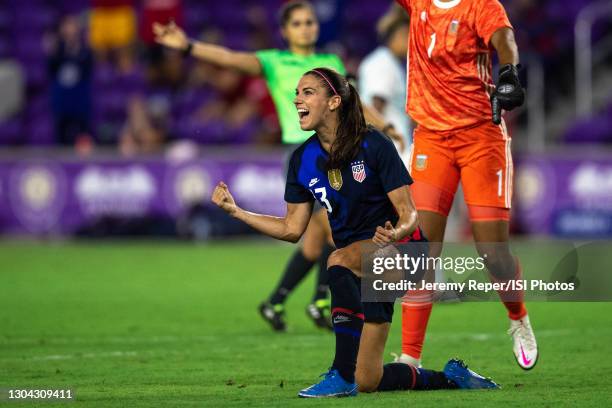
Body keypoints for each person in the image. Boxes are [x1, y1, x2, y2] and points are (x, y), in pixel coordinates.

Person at [212, 67, 499, 397]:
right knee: (369, 379)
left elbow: (409, 215)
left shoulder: (374, 144)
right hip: (363, 266)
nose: (296, 100)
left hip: (403, 251)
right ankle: (451, 378)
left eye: (307, 92)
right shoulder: (302, 159)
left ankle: (339, 374)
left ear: (334, 102)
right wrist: (238, 212)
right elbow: (292, 229)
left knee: (338, 259)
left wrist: (395, 234)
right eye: (297, 93)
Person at [154, 0, 404, 332]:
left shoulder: (329, 62)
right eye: (298, 23)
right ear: (285, 31)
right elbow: (231, 59)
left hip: (335, 148)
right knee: (331, 227)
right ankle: (322, 300)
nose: (306, 28)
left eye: (310, 22)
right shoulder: (275, 61)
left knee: (317, 236)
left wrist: (383, 126)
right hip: (301, 152)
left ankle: (278, 301)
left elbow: (352, 99)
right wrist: (187, 46)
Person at [394, 0, 538, 370]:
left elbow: (504, 38)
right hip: (431, 139)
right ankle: (411, 357)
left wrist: (509, 72)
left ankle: (518, 317)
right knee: (420, 248)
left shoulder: (482, 5)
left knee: (492, 250)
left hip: (479, 137)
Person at [358, 4, 413, 158]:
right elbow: (375, 108)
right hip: (389, 151)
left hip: (396, 147)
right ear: (400, 34)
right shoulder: (383, 63)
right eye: (409, 36)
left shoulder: (392, 62)